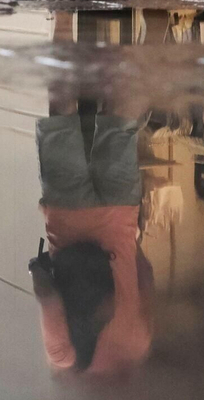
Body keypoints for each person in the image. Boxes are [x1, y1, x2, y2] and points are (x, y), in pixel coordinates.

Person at [28, 87, 153, 377]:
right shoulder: (64, 357)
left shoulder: (137, 347)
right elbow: (48, 297)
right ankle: (66, 53)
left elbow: (145, 276)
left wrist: (131, 238)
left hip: (120, 215)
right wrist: (36, 269)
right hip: (66, 214)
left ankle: (122, 60)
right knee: (62, 118)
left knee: (119, 123)